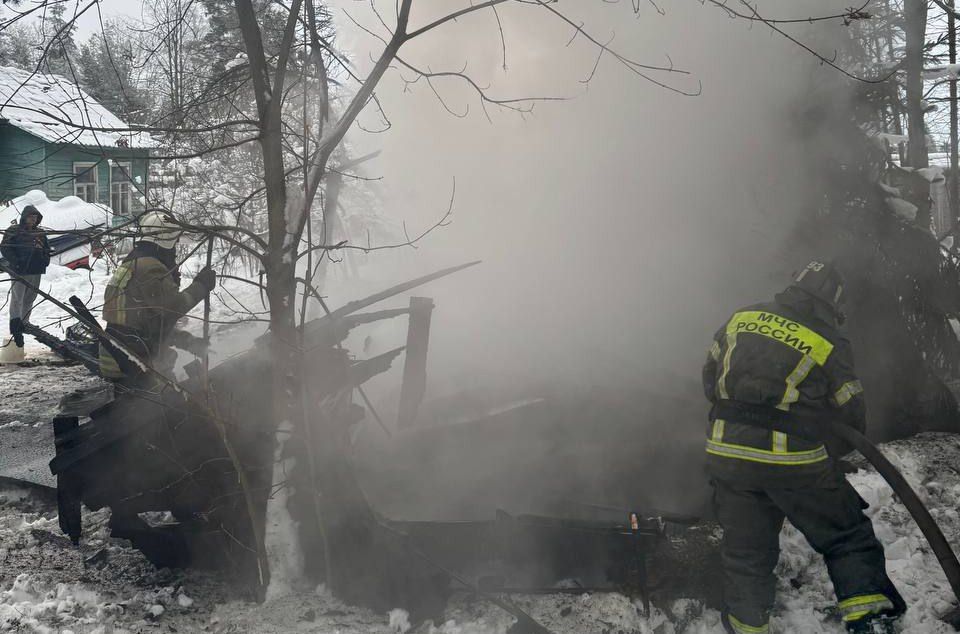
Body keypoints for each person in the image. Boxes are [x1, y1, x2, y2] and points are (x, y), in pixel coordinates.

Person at [702, 260, 906, 634]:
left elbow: (709, 379)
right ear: (833, 301)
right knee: (845, 534)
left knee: (747, 549)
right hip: (792, 461)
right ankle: (869, 617)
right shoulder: (828, 340)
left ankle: (747, 626)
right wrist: (824, 447)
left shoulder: (741, 318)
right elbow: (851, 414)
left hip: (727, 455)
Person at [99, 211, 215, 383]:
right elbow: (173, 308)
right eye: (174, 245)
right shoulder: (150, 269)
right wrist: (201, 286)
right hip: (133, 363)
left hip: (119, 355)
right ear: (166, 243)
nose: (175, 252)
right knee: (174, 396)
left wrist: (188, 341)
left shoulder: (133, 263)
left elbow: (149, 323)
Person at [0, 205, 50, 349]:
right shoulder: (14, 230)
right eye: (30, 217)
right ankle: (16, 326)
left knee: (30, 298)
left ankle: (25, 322)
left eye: (35, 217)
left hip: (35, 270)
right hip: (19, 271)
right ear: (24, 217)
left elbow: (47, 249)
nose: (33, 219)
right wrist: (16, 263)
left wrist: (44, 260)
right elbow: (5, 247)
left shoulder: (40, 233)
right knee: (17, 298)